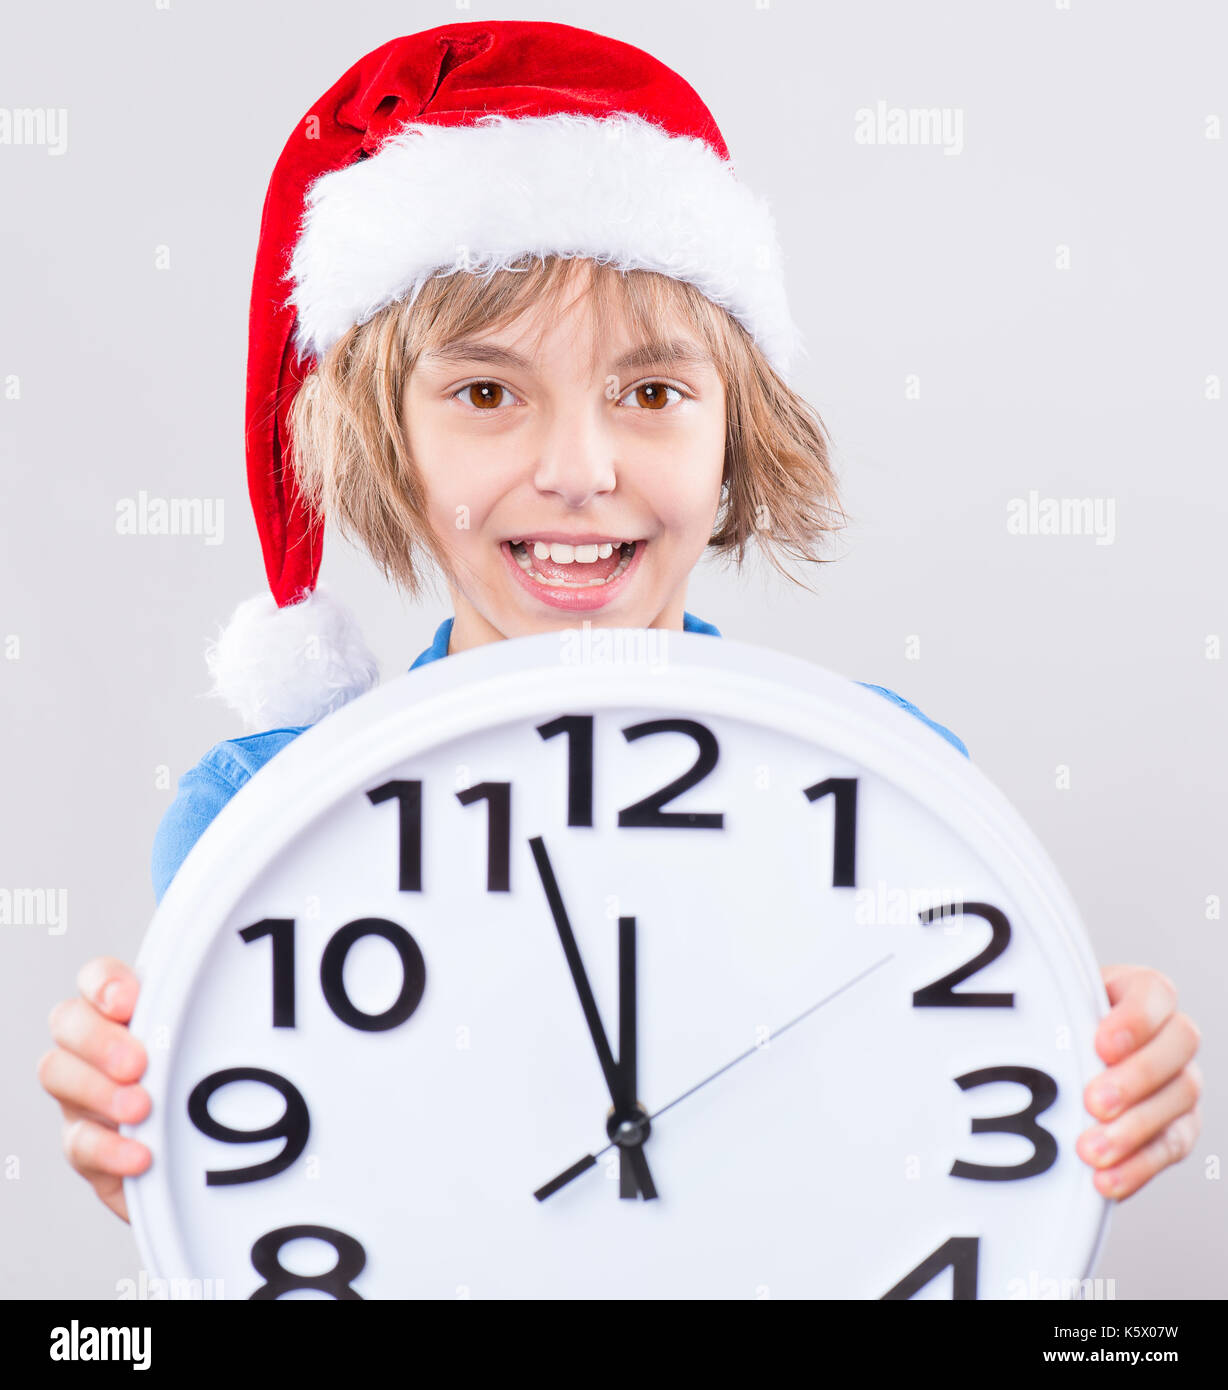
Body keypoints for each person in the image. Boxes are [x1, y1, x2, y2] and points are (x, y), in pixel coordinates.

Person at [38, 21, 1200, 1232]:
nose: (581, 470)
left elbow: (939, 1144)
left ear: (734, 430)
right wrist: (156, 1155)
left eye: (651, 393)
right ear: (383, 437)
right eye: (486, 393)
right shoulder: (255, 811)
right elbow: (285, 1185)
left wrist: (1100, 1073)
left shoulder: (883, 776)